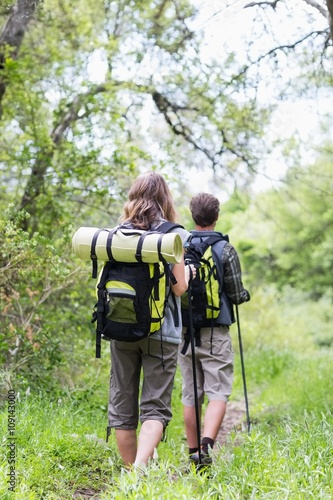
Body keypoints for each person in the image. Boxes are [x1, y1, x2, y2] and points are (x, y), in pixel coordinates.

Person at [108, 171, 194, 469]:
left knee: (123, 408)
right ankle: (138, 474)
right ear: (165, 199)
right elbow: (180, 288)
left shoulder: (117, 233)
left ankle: (132, 473)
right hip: (162, 331)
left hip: (121, 329)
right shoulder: (174, 235)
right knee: (154, 409)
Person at [178, 192, 250, 466]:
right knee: (217, 390)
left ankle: (191, 450)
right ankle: (205, 448)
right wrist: (244, 296)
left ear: (193, 215)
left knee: (190, 392)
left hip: (185, 332)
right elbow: (234, 292)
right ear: (216, 216)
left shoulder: (179, 246)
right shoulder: (225, 249)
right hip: (216, 332)